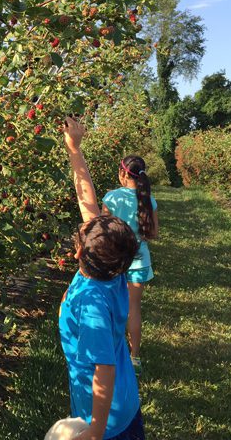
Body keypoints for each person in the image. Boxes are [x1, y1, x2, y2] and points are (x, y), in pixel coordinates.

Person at [58, 117, 145, 440]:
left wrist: (95, 430)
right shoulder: (112, 270)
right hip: (124, 403)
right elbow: (87, 201)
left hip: (108, 422)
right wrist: (74, 150)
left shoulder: (92, 300)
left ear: (81, 253)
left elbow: (103, 370)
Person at [101, 156, 158, 375]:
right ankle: (134, 358)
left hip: (114, 259)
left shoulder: (112, 198)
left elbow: (103, 231)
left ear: (123, 174)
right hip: (139, 260)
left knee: (112, 307)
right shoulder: (148, 200)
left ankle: (112, 353)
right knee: (133, 309)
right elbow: (153, 233)